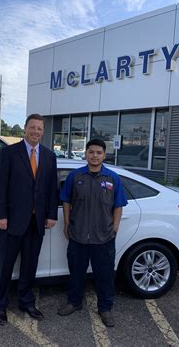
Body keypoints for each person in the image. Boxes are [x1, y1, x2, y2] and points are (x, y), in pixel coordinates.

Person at [0, 113, 58, 325]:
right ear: (25, 129)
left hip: (36, 222)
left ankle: (26, 301)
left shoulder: (49, 156)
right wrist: (0, 215)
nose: (36, 131)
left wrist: (51, 214)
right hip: (10, 222)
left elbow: (51, 189)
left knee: (30, 266)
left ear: (43, 132)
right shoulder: (9, 153)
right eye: (33, 127)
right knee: (4, 267)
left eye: (40, 128)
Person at [58, 138, 128, 327]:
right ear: (86, 154)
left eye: (98, 152)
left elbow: (118, 206)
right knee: (76, 273)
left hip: (103, 238)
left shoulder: (112, 178)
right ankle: (74, 302)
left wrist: (114, 228)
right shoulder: (75, 176)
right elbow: (66, 201)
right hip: (78, 235)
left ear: (104, 155)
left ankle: (105, 308)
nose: (94, 155)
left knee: (104, 275)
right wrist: (66, 224)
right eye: (91, 152)